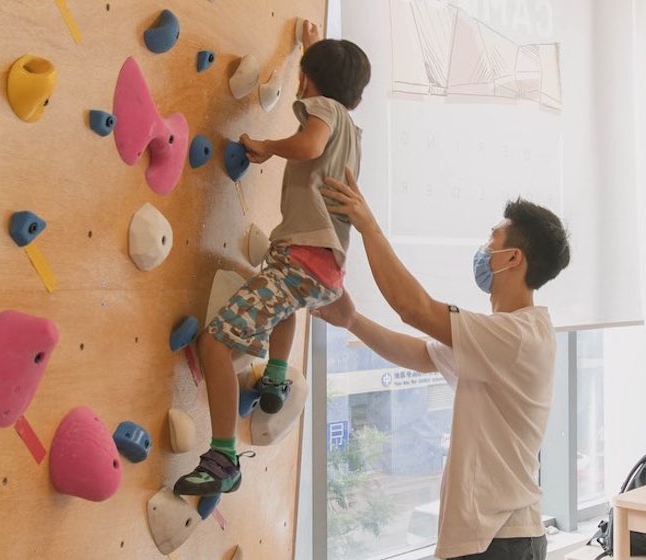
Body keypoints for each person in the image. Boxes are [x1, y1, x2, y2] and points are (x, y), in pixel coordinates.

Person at [313, 169, 570, 560]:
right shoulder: (501, 337)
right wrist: (353, 321)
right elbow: (420, 356)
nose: (484, 250)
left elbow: (413, 308)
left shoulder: (517, 336)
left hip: (498, 539)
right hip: (493, 538)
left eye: (492, 241)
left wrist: (368, 226)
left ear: (513, 258)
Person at [173, 23, 372, 497]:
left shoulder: (322, 109)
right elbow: (324, 133)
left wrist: (265, 145)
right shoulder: (353, 126)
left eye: (303, 79)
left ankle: (223, 458)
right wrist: (306, 49)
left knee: (216, 343)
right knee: (282, 301)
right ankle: (276, 379)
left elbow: (309, 144)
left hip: (302, 260)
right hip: (322, 267)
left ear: (307, 82)